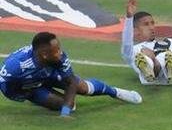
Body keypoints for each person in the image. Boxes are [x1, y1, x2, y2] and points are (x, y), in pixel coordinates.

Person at [2, 32, 142, 116]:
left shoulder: (59, 58)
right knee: (65, 104)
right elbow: (3, 82)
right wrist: (21, 95)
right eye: (56, 50)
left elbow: (71, 82)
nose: (60, 52)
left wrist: (65, 112)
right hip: (30, 87)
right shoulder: (16, 65)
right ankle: (43, 97)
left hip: (49, 74)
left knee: (82, 89)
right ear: (44, 54)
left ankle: (115, 92)